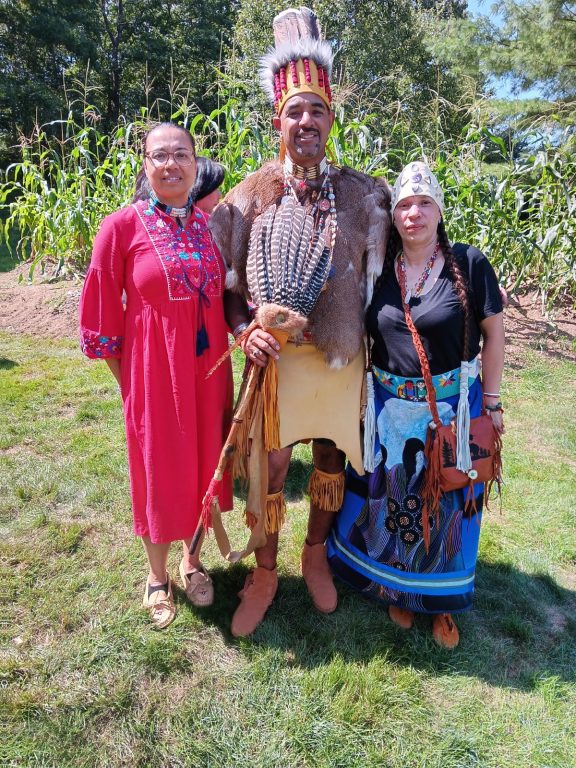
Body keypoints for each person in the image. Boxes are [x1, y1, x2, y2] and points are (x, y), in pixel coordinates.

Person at [209, 7, 390, 637]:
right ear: (277, 121)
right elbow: (228, 288)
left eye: (317, 110)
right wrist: (243, 331)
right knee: (272, 466)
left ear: (331, 118)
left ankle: (314, 553)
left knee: (329, 459)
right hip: (275, 361)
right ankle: (264, 570)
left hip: (340, 355)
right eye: (295, 112)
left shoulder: (366, 194)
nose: (306, 122)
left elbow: (395, 276)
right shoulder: (249, 195)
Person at [327, 161, 505, 649]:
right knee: (396, 503)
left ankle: (444, 605)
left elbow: (494, 334)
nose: (413, 214)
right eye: (404, 204)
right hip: (389, 411)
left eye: (424, 203)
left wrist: (491, 400)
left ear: (439, 211)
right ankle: (400, 591)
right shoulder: (379, 268)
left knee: (450, 502)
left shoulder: (468, 264)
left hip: (451, 411)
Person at [79, 123, 247, 629]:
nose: (171, 164)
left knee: (203, 464)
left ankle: (192, 559)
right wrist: (129, 380)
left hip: (208, 370)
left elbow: (225, 298)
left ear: (195, 163)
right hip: (152, 374)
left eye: (181, 154)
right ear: (145, 165)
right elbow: (103, 316)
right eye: (160, 156)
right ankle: (156, 576)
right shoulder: (121, 227)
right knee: (157, 468)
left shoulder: (206, 226)